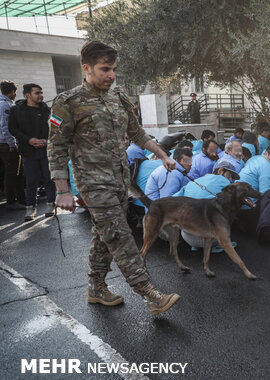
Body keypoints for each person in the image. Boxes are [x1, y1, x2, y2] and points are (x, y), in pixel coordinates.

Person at [48, 40, 180, 315]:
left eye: (114, 69)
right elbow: (56, 147)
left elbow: (138, 133)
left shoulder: (118, 98)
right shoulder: (68, 102)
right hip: (94, 185)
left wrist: (163, 154)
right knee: (119, 236)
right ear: (86, 68)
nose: (111, 75)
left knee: (103, 235)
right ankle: (150, 294)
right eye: (105, 69)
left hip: (120, 181)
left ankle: (96, 289)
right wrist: (62, 189)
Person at [8, 83, 56, 221]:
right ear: (27, 95)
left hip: (46, 150)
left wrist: (48, 140)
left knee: (49, 178)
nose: (41, 95)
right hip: (28, 151)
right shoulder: (16, 110)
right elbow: (13, 129)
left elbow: (57, 126)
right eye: (37, 93)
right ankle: (30, 208)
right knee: (31, 180)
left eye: (41, 92)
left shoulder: (48, 110)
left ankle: (50, 204)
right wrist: (29, 140)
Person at [0, 80, 26, 210]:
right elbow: (5, 127)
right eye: (15, 92)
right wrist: (12, 143)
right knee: (12, 172)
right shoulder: (4, 105)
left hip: (3, 142)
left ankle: (19, 198)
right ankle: (11, 201)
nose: (15, 95)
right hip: (6, 144)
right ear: (12, 92)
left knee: (13, 172)